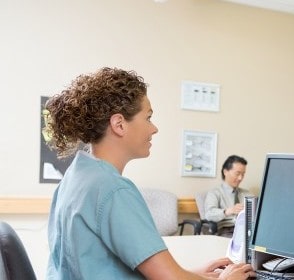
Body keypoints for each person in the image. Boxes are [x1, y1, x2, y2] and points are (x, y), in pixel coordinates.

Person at [45, 67, 254, 280]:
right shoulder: (113, 190)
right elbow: (169, 278)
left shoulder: (75, 178)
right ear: (119, 124)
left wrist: (190, 275)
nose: (154, 129)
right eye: (148, 118)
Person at [204, 155, 252, 237]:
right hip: (228, 230)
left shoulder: (247, 194)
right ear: (225, 172)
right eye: (237, 173)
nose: (240, 178)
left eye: (243, 174)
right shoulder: (215, 193)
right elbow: (209, 214)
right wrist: (228, 211)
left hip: (248, 230)